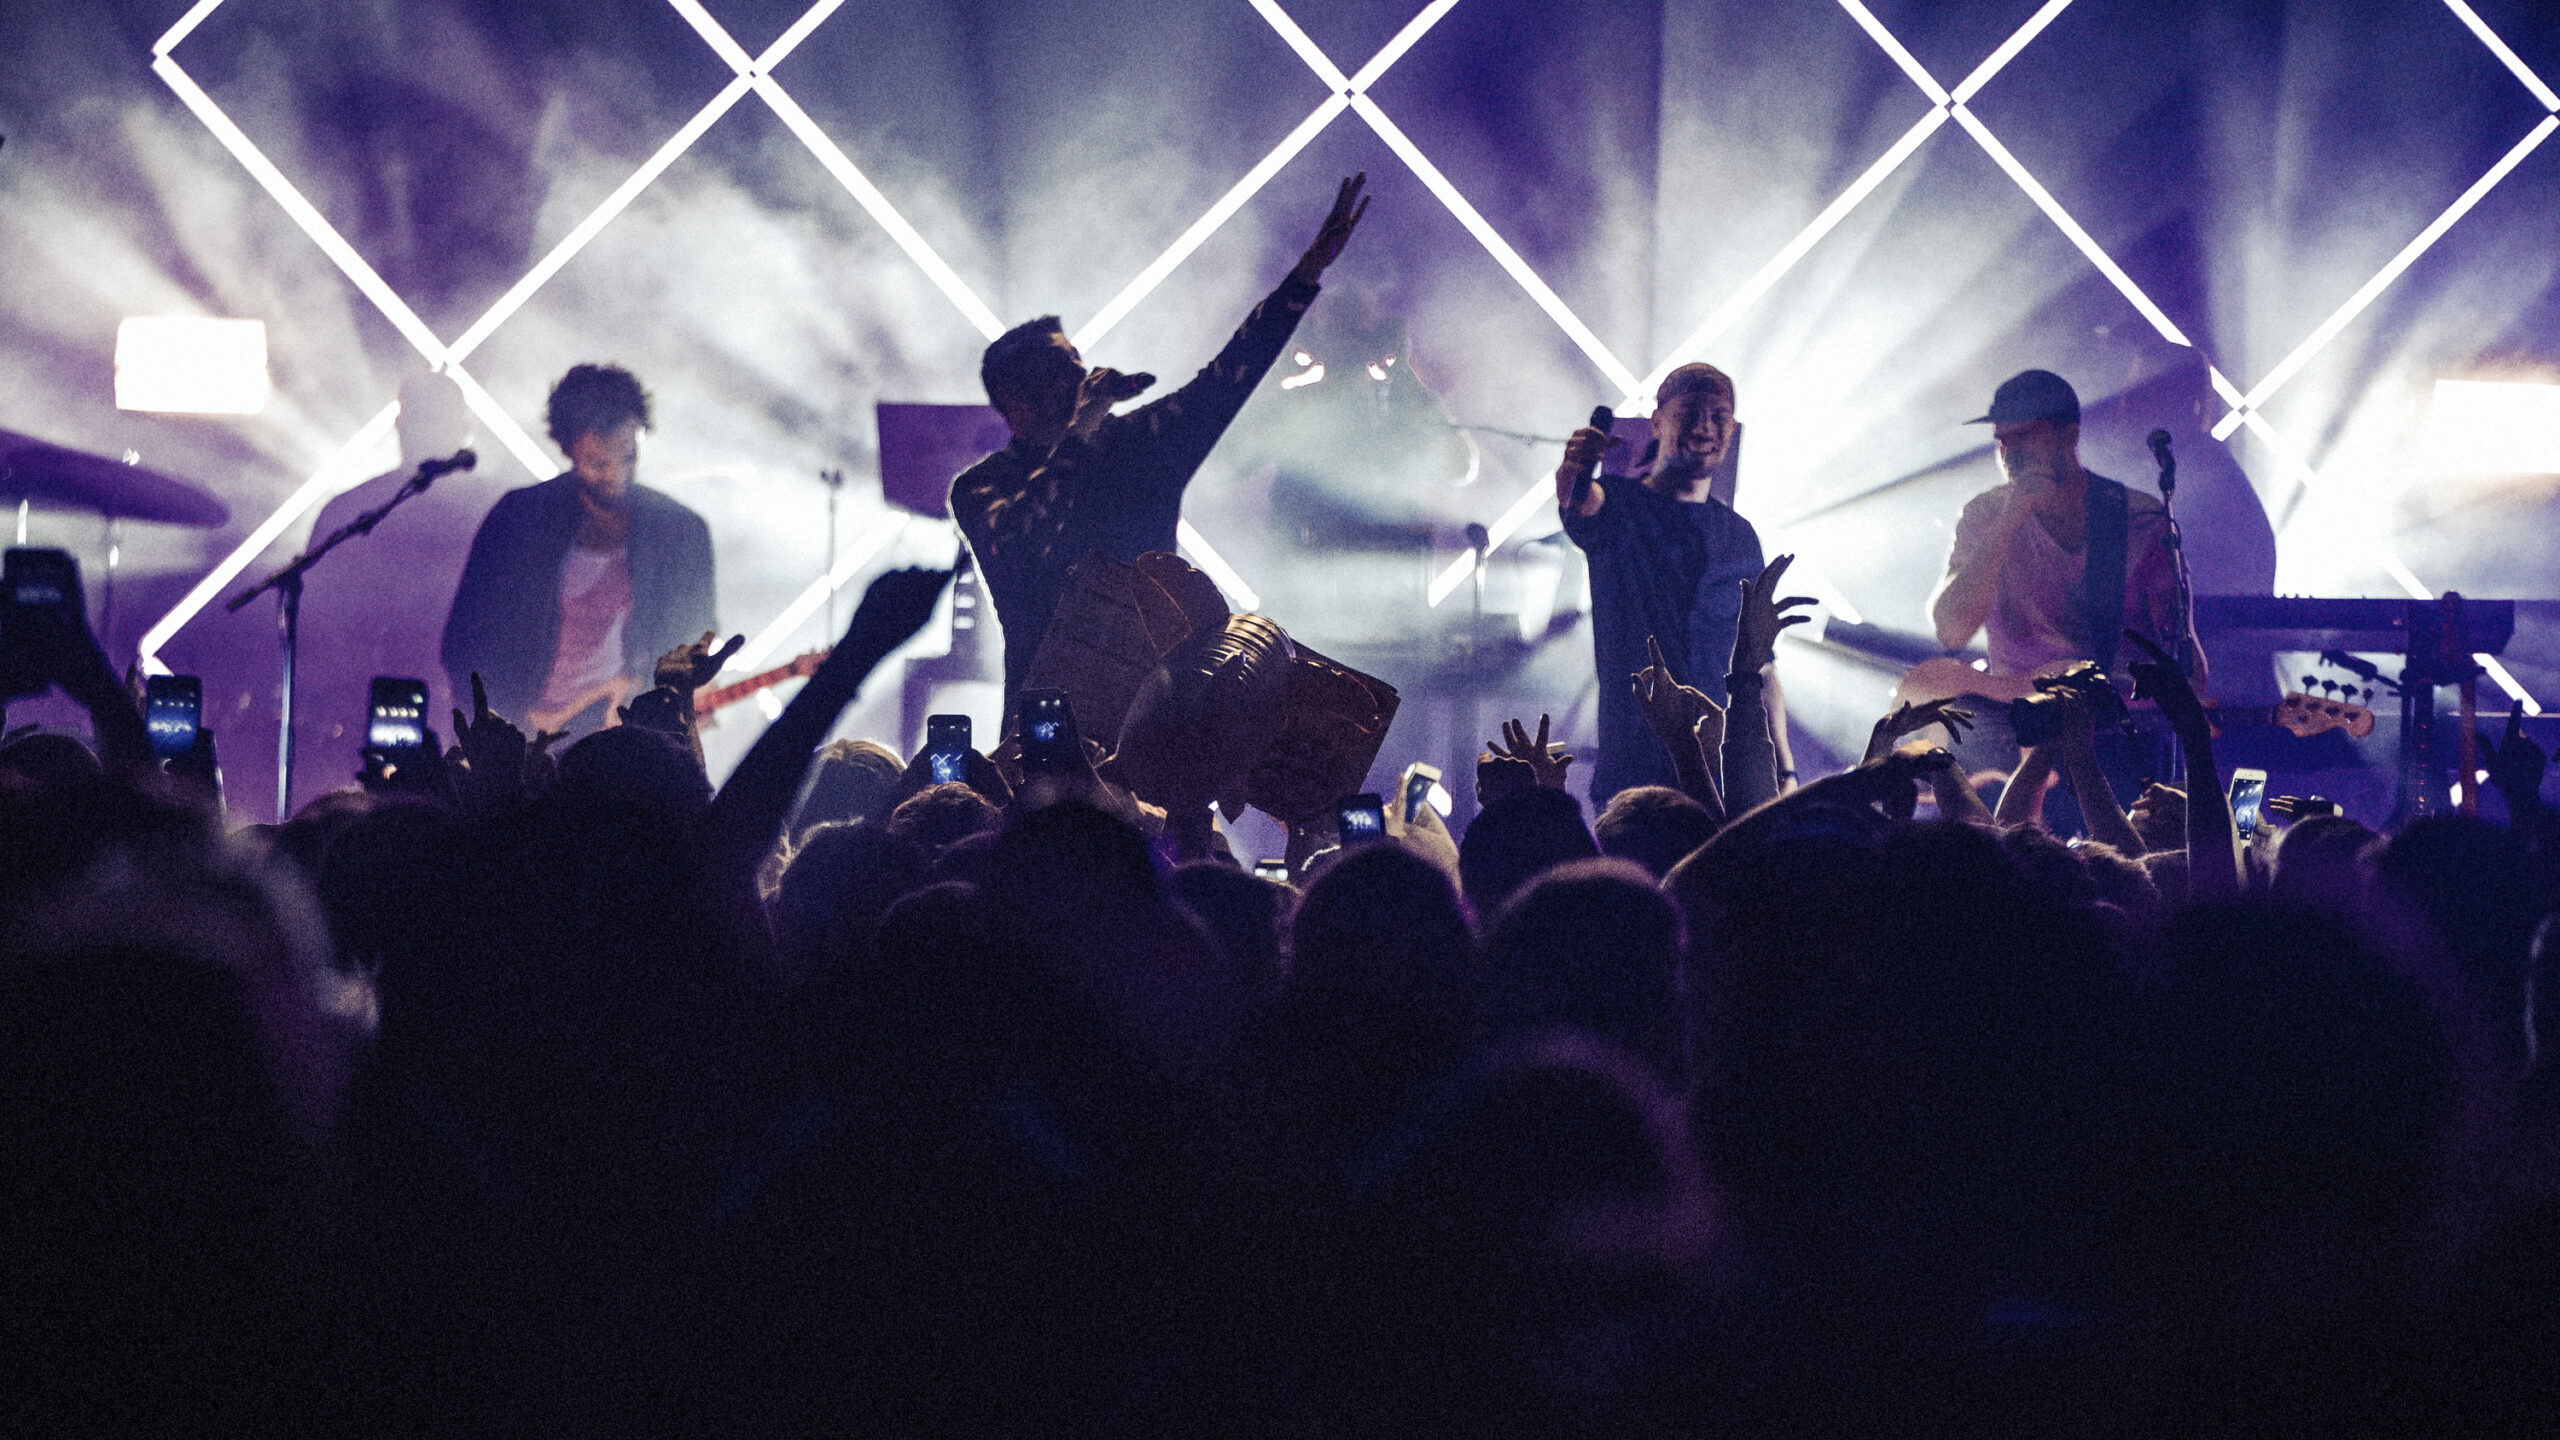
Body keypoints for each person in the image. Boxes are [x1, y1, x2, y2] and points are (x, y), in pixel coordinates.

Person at [952, 174, 1369, 707]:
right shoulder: (982, 487)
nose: (1079, 374)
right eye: (1059, 369)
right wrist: (1079, 433)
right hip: (1041, 719)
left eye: (1077, 360)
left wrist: (1306, 274)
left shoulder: (1134, 445)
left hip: (1146, 712)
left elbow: (1224, 380)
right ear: (1016, 402)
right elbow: (1023, 543)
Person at [440, 363, 716, 734]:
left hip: (627, 737)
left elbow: (694, 641)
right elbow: (463, 643)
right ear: (568, 449)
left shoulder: (681, 531)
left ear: (639, 433)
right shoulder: (518, 519)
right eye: (598, 464)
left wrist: (676, 694)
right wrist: (504, 723)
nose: (616, 475)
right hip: (527, 736)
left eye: (629, 457)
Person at [1555, 363, 1781, 805]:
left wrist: (1784, 769)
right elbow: (1579, 500)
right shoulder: (1619, 506)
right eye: (1690, 412)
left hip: (1724, 780)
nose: (1704, 426)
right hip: (1637, 776)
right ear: (1657, 422)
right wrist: (1572, 469)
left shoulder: (1740, 536)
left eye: (1718, 416)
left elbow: (1762, 666)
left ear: (1732, 430)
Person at [296, 372, 502, 807]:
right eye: (423, 419)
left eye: (437, 419)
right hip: (368, 708)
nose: (429, 430)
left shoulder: (498, 511)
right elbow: (317, 623)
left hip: (460, 702)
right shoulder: (354, 509)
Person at [1928, 368, 2195, 683]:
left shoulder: (2138, 517)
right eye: (2002, 441)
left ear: (2069, 435)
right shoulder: (1984, 515)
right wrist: (2007, 523)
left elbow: (2181, 648)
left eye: (2024, 436)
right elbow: (1951, 633)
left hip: (2118, 704)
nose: (2011, 454)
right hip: (2017, 706)